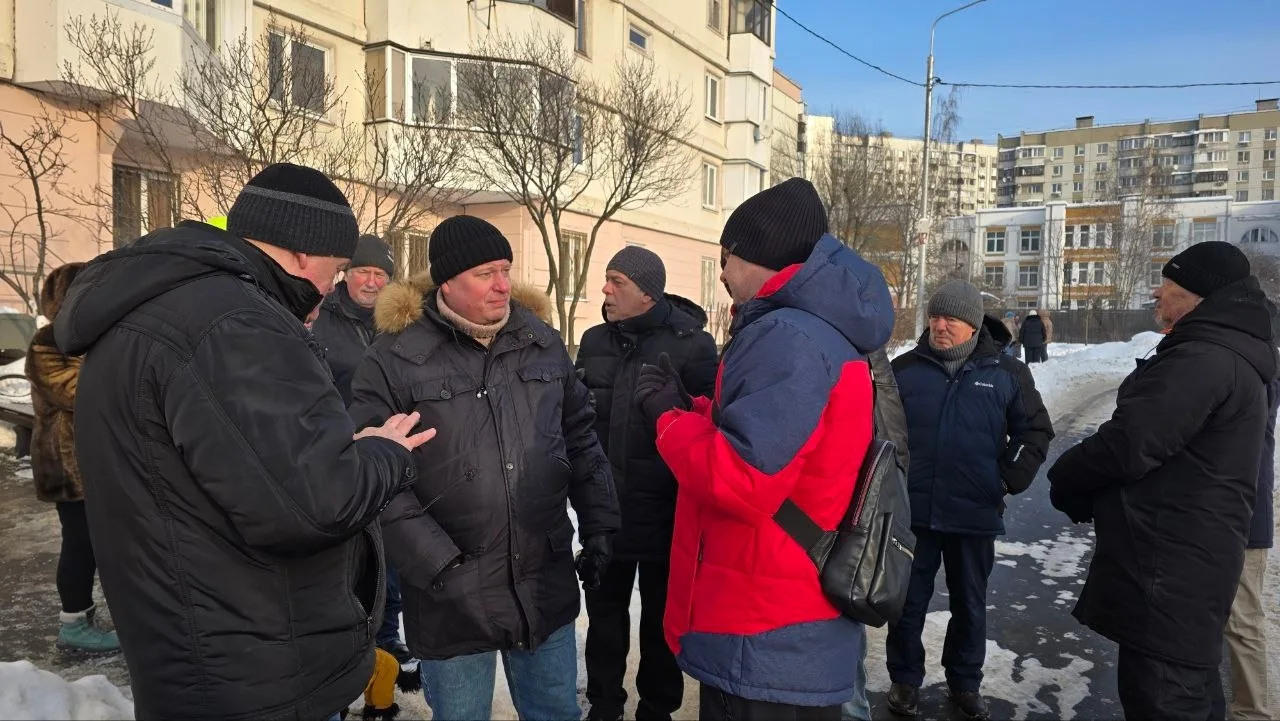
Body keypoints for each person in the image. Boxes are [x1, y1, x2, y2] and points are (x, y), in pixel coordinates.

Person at [51, 163, 435, 721]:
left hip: (200, 653)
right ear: (302, 252)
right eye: (337, 267)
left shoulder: (172, 305)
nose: (334, 285)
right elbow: (316, 503)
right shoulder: (235, 324)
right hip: (252, 669)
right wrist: (385, 453)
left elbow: (245, 471)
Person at [348, 214, 621, 721]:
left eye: (505, 270)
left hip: (541, 579)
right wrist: (437, 564)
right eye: (485, 273)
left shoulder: (540, 341)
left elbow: (581, 438)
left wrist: (600, 522)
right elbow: (375, 477)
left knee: (556, 713)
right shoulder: (395, 358)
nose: (503, 285)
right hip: (450, 593)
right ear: (447, 282)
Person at [645, 178, 893, 721]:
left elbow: (742, 479)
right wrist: (698, 412)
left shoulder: (786, 336)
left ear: (756, 255)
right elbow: (788, 442)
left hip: (761, 630)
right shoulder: (823, 329)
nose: (722, 274)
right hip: (794, 611)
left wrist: (666, 422)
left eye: (726, 258)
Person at [1048, 241, 1277, 720]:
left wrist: (1065, 477)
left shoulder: (1204, 358)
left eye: (1168, 284)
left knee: (1166, 697)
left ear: (1196, 295)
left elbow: (1131, 442)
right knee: (1188, 689)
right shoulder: (1223, 351)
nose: (1157, 292)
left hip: (1171, 566)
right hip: (1186, 558)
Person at [885, 280, 1053, 721]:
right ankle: (904, 680)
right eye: (934, 317)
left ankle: (964, 682)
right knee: (907, 603)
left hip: (974, 512)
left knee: (969, 604)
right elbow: (880, 432)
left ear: (974, 325)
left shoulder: (1007, 373)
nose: (940, 326)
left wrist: (1005, 480)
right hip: (914, 512)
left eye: (951, 319)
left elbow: (1035, 431)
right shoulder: (905, 370)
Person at [574, 246, 718, 721]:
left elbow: (710, 428)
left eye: (617, 281)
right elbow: (576, 422)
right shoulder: (594, 340)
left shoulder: (694, 346)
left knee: (661, 622)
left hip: (667, 514)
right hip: (606, 510)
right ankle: (604, 706)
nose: (605, 289)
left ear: (647, 293)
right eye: (607, 278)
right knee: (603, 618)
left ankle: (657, 709)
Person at [26, 262, 119, 654]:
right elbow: (73, 392)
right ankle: (74, 625)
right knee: (81, 543)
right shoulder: (47, 342)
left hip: (98, 460)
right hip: (66, 463)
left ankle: (99, 616)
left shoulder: (96, 337)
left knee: (106, 543)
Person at [1224, 302, 1280, 721]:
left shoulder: (1256, 370)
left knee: (1242, 619)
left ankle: (1255, 712)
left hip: (1244, 512)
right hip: (1232, 510)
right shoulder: (1257, 364)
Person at [312, 233, 395, 405]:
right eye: (363, 272)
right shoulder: (317, 315)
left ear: (388, 280)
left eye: (379, 274)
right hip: (336, 418)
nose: (371, 282)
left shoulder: (402, 321)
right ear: (346, 274)